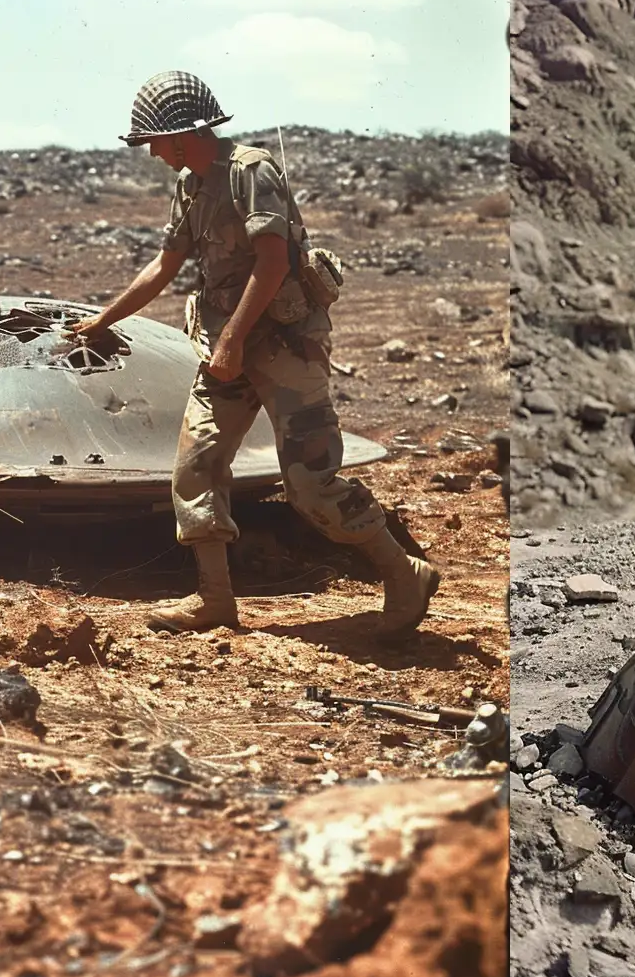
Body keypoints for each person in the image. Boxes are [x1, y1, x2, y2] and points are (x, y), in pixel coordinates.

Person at [70, 71, 439, 639]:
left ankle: (403, 573)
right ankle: (215, 599)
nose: (151, 152)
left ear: (185, 133)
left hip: (283, 345)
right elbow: (165, 265)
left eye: (154, 141)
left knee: (310, 483)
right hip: (228, 350)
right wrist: (103, 319)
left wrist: (232, 340)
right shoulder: (191, 185)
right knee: (197, 466)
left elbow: (272, 264)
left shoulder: (252, 171)